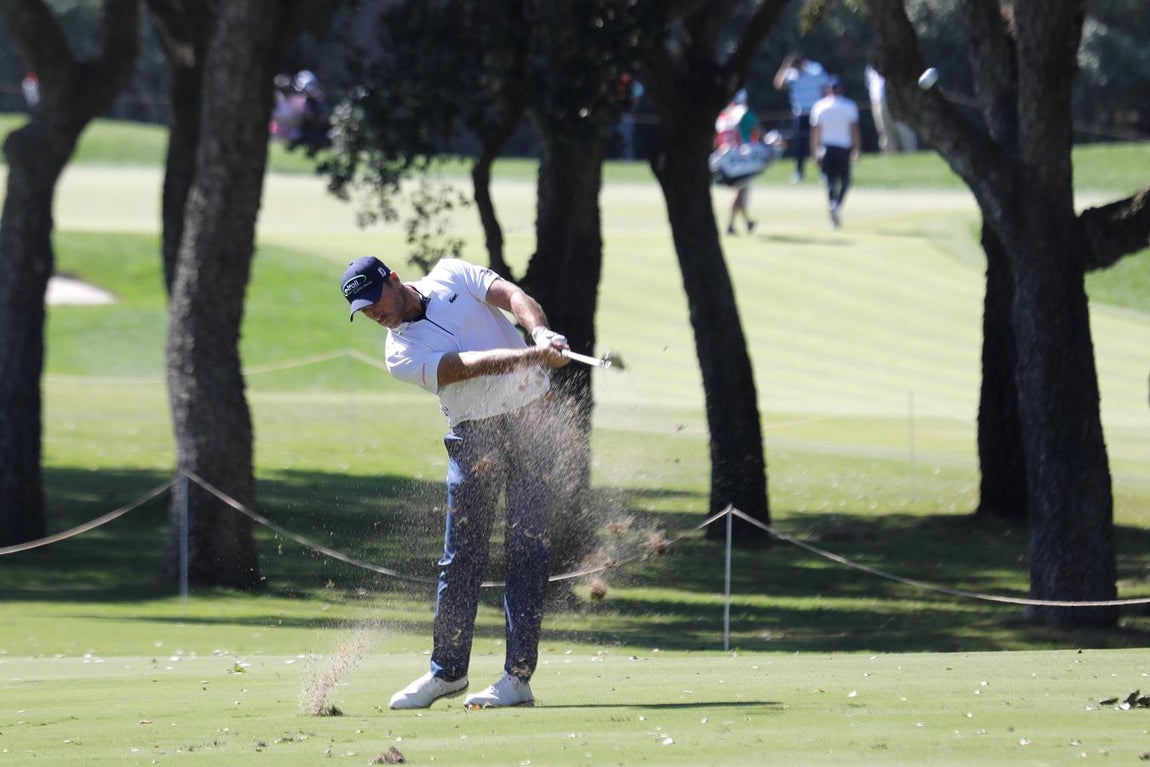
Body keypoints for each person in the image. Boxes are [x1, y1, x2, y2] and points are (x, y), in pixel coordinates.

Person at [340, 256, 570, 710]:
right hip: (473, 436)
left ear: (393, 280)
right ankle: (447, 672)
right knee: (460, 557)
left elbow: (511, 296)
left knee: (527, 551)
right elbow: (467, 365)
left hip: (531, 418)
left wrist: (539, 331)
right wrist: (532, 354)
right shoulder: (399, 354)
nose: (374, 314)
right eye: (363, 311)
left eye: (374, 301)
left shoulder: (451, 274)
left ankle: (517, 679)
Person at [809, 76, 861, 229]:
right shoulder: (849, 105)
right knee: (845, 179)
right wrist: (857, 149)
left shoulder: (819, 106)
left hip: (826, 148)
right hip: (843, 148)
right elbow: (854, 131)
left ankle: (833, 206)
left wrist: (814, 152)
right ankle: (837, 205)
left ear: (828, 90)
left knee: (829, 180)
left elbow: (816, 133)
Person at [773, 52, 831, 183]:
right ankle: (799, 173)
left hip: (816, 113)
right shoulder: (791, 72)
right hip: (799, 114)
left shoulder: (816, 70)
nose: (796, 70)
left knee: (819, 144)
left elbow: (826, 88)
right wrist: (785, 66)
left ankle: (824, 173)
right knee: (800, 145)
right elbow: (778, 84)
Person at [713, 89, 763, 235]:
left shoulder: (723, 114)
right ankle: (731, 224)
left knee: (740, 190)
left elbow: (716, 139)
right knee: (740, 189)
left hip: (723, 156)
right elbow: (757, 133)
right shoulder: (744, 112)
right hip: (740, 157)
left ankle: (747, 222)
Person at [864, 63, 917, 154]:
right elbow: (870, 86)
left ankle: (912, 154)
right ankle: (890, 157)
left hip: (898, 100)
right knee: (885, 134)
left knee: (905, 130)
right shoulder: (870, 67)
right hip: (879, 102)